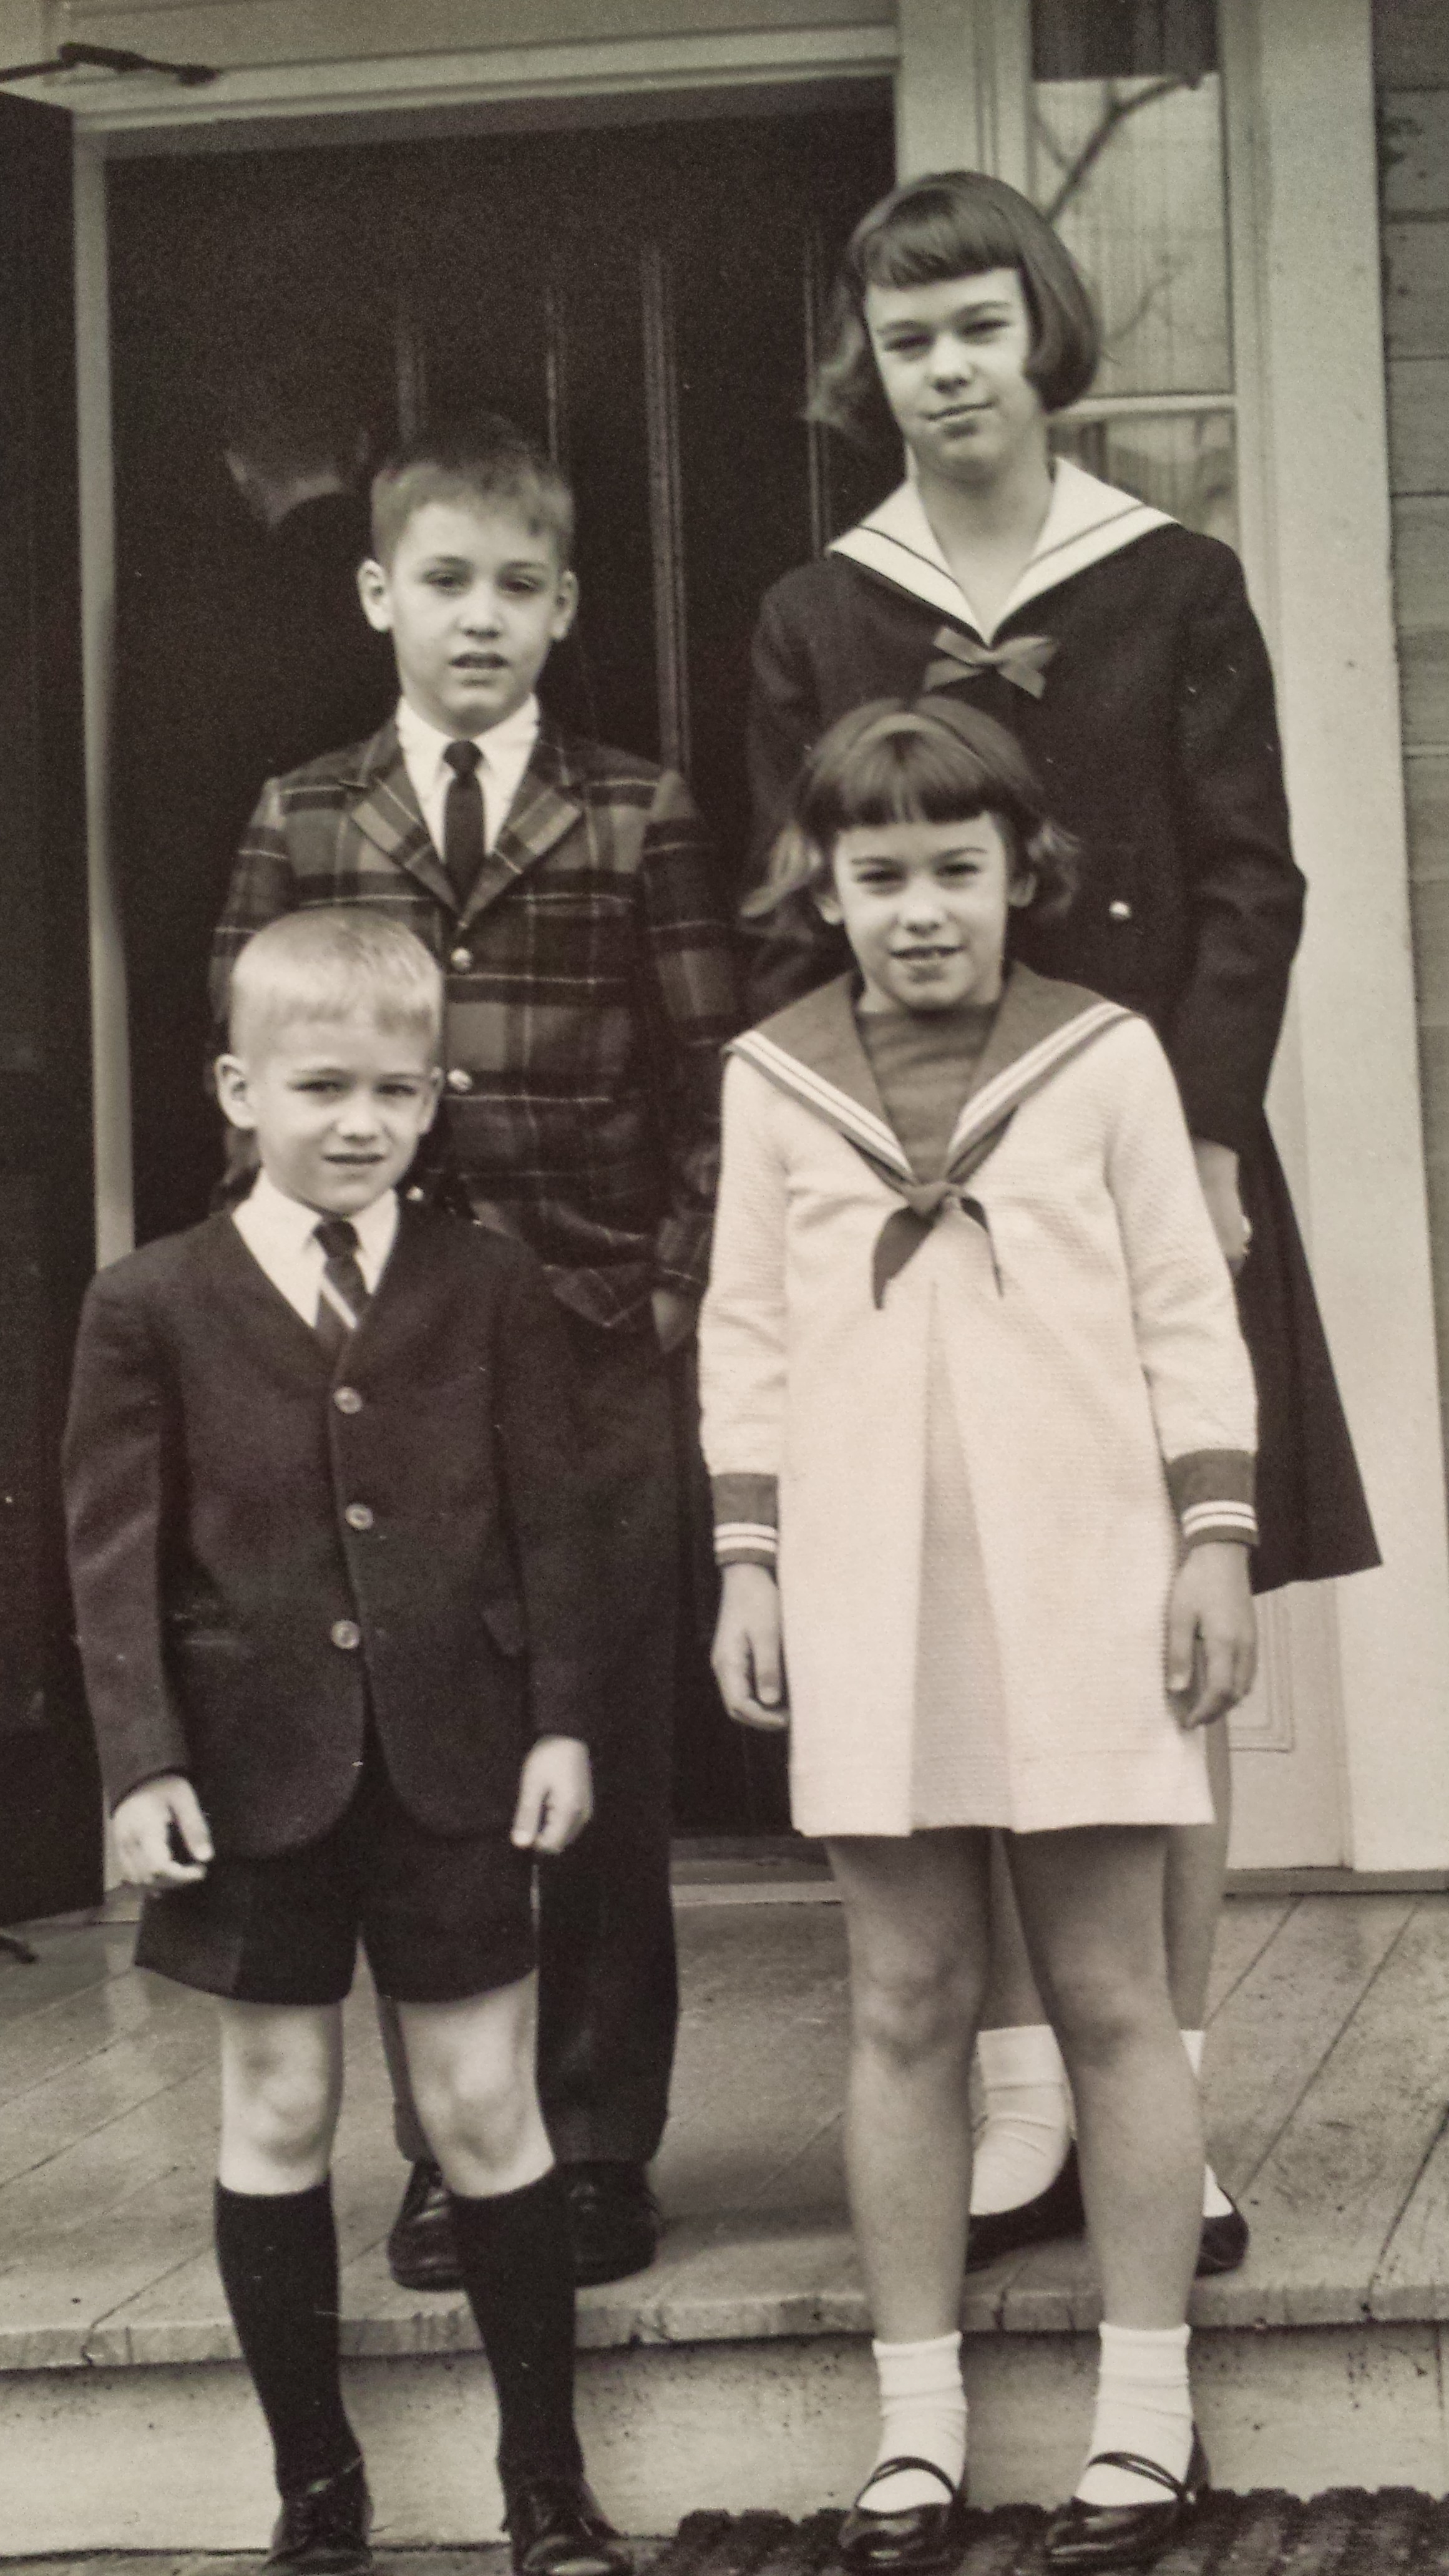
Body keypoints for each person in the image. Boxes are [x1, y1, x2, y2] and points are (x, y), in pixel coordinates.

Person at [744, 169, 1378, 2279]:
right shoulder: (818, 610)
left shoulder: (1171, 579)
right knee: (955, 1633)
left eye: (979, 331)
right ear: (873, 367)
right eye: (907, 341)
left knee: (1132, 1656)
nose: (946, 374)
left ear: (1043, 341)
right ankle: (1019, 2110)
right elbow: (792, 927)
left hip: (1145, 1160)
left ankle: (1155, 2104)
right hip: (919, 1200)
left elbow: (1248, 879)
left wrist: (1198, 1136)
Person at [703, 696, 1259, 2570]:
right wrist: (752, 1562)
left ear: (1024, 874)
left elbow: (1186, 1310)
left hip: (1084, 1577)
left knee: (1110, 1994)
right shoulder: (773, 1076)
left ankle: (1144, 2414)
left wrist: (1207, 1544)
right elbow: (747, 1341)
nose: (920, 909)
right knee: (906, 1997)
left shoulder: (1103, 1059)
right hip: (869, 1587)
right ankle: (916, 2423)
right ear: (825, 887)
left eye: (957, 869)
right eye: (880, 876)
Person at [210, 417, 740, 2295]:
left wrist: (663, 1299)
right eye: (444, 582)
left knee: (588, 1741)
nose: (481, 618)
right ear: (377, 597)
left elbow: (707, 1089)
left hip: (589, 1343)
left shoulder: (635, 811)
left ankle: (591, 2141)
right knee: (430, 1758)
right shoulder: (302, 814)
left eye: (519, 587)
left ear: (566, 604)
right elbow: (258, 1099)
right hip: (389, 1358)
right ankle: (458, 2148)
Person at [64, 910, 628, 2576]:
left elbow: (559, 1524)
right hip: (250, 1783)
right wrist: (141, 1760)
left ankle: (546, 2489)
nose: (361, 1120)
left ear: (437, 1093)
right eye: (320, 1085)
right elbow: (112, 1554)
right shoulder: (147, 1303)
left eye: (398, 1086)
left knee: (482, 2107)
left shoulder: (488, 1282)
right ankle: (318, 2492)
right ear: (239, 1088)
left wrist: (566, 1724)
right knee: (281, 2108)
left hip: (459, 1762)